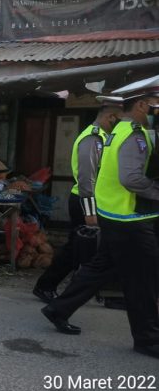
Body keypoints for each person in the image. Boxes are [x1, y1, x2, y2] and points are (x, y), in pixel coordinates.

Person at [42, 75, 159, 359]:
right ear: (142, 105)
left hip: (115, 214)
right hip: (128, 218)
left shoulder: (121, 131)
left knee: (101, 268)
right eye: (156, 105)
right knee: (141, 280)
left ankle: (58, 308)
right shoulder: (132, 134)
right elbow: (128, 178)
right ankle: (147, 339)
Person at [33, 96, 123, 303]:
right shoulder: (93, 138)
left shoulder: (103, 137)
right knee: (76, 248)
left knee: (83, 249)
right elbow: (86, 178)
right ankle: (47, 286)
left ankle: (68, 289)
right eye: (121, 119)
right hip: (84, 200)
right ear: (111, 117)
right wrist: (90, 212)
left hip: (92, 201)